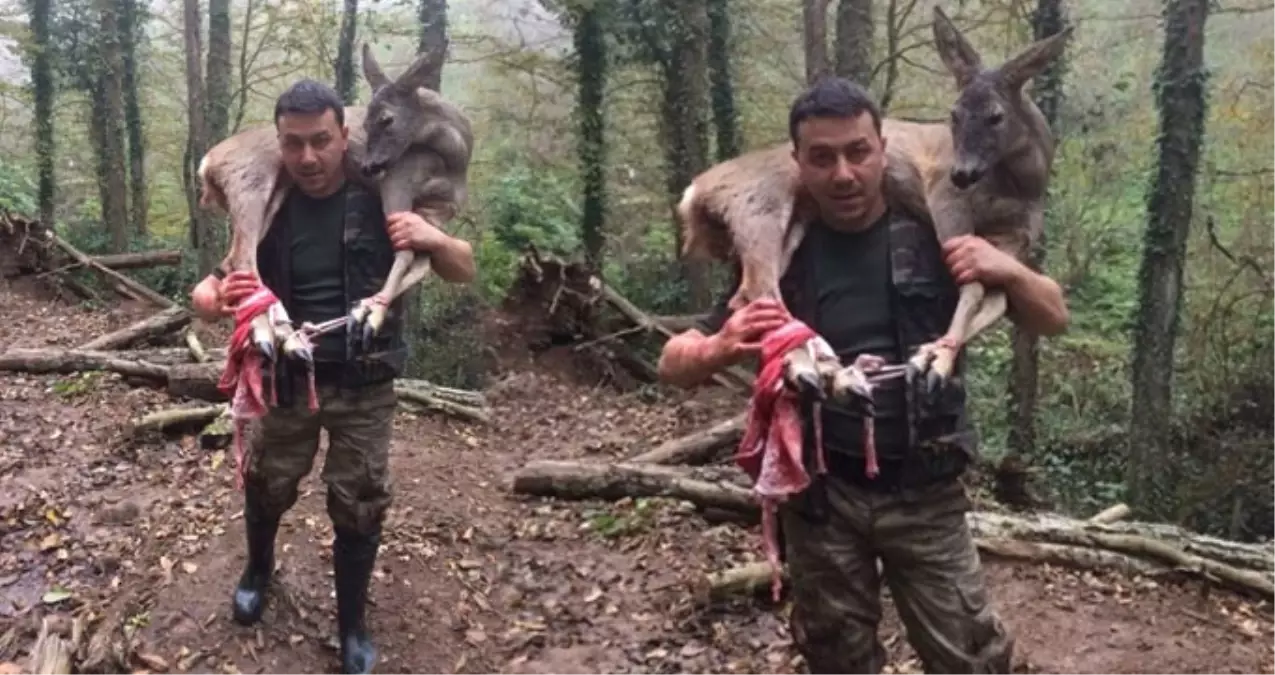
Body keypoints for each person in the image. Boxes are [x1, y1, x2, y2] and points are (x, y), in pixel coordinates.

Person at [657, 77, 1068, 674]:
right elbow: (675, 363)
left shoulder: (939, 233)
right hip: (822, 500)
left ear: (884, 148)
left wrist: (1011, 269)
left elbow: (1052, 317)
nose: (844, 174)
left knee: (970, 660)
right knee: (837, 659)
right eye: (822, 158)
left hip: (926, 495)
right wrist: (719, 346)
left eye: (857, 152)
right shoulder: (780, 254)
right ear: (797, 163)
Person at [189, 79, 476, 675]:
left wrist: (436, 238)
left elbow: (461, 268)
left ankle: (352, 625)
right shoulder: (270, 204)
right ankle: (257, 571)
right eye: (293, 144)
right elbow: (214, 285)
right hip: (284, 382)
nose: (308, 158)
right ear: (279, 144)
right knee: (268, 481)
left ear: (347, 136)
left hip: (365, 383)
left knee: (360, 501)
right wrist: (210, 299)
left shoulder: (385, 193)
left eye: (322, 141)